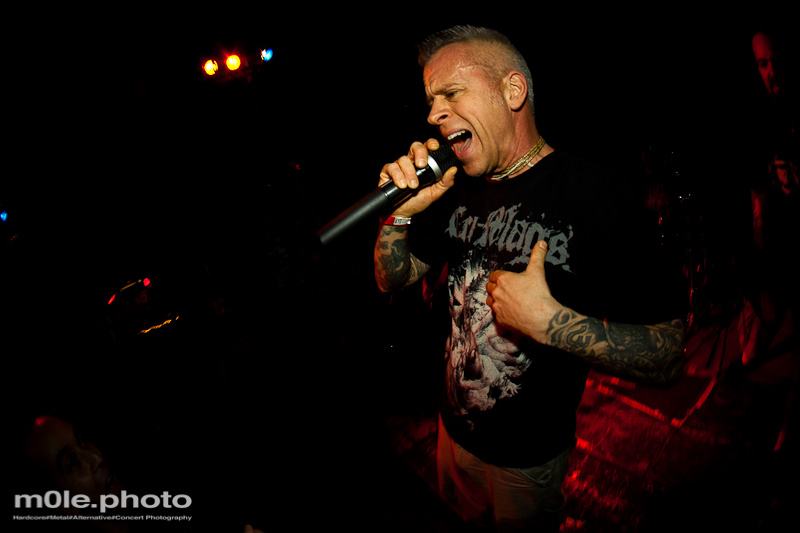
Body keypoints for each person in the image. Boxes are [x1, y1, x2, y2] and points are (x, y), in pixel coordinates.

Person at [373, 25, 686, 531]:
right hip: (451, 435)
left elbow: (668, 354)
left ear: (512, 90)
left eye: (451, 93)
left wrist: (551, 324)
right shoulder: (456, 189)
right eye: (431, 100)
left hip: (526, 463)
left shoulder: (599, 196)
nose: (433, 115)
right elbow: (393, 279)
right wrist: (400, 214)